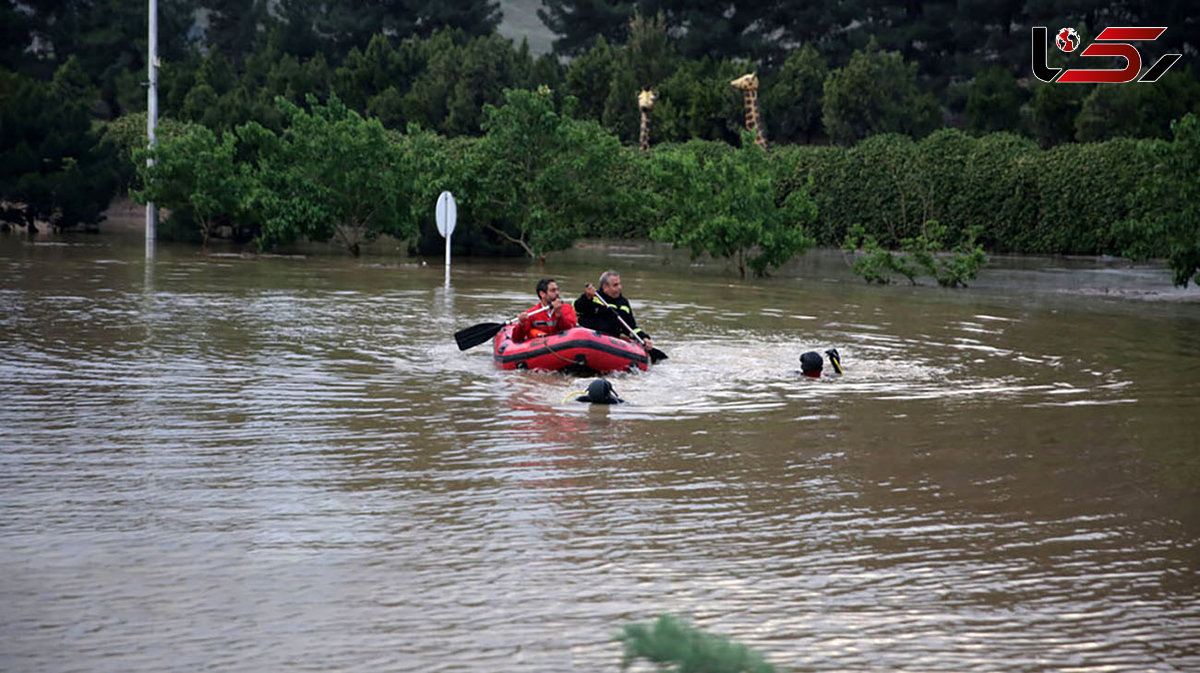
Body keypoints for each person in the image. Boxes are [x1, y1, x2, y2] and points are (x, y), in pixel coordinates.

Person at [574, 269, 653, 351]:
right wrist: (587, 297)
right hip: (589, 338)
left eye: (619, 284)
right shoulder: (592, 298)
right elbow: (577, 309)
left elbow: (630, 327)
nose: (619, 288)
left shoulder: (623, 303)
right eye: (615, 285)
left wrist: (644, 337)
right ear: (605, 287)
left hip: (610, 343)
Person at [512, 278, 578, 343]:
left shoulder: (567, 309)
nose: (557, 293)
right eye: (553, 290)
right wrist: (521, 324)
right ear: (542, 294)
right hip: (541, 348)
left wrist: (559, 315)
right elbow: (516, 339)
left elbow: (571, 332)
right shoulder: (532, 313)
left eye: (557, 290)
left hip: (563, 346)